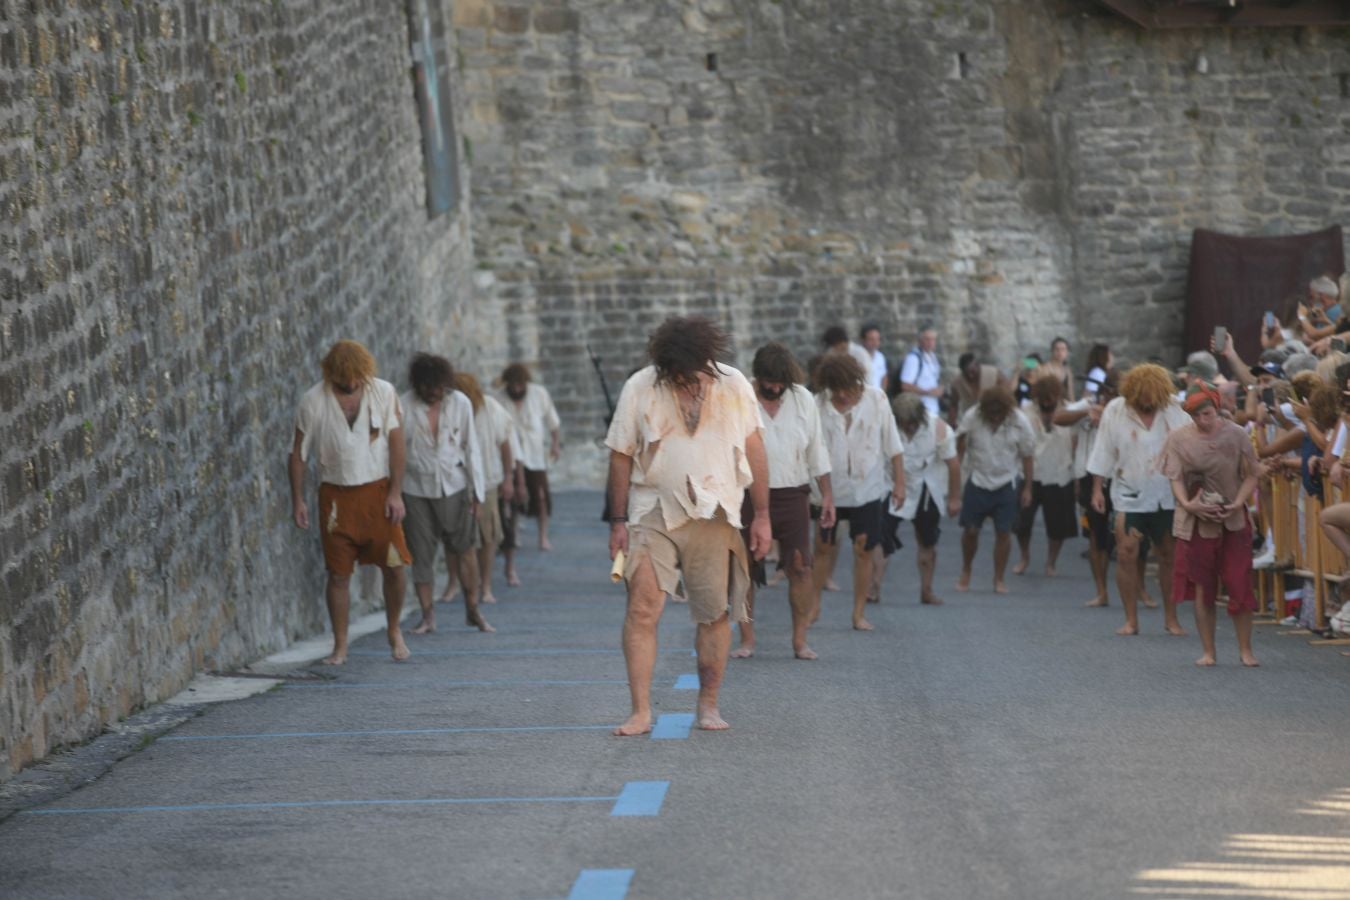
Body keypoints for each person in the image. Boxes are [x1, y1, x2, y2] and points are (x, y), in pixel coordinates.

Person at [606, 316, 771, 736]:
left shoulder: (734, 385)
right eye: (674, 374)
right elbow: (621, 455)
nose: (683, 381)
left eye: (690, 373)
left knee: (714, 613)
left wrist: (763, 516)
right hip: (651, 509)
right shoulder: (640, 387)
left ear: (707, 359)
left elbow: (754, 447)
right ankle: (640, 712)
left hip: (717, 510)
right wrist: (618, 521)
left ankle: (708, 704)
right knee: (643, 607)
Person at [288, 340, 412, 665]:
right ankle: (340, 644)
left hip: (378, 492)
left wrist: (396, 492)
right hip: (336, 499)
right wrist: (298, 499)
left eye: (358, 376)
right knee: (339, 574)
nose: (353, 383)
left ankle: (394, 628)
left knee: (396, 565)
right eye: (346, 377)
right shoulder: (314, 401)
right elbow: (298, 455)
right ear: (332, 374)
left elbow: (397, 445)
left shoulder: (383, 392)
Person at [732, 342, 836, 661]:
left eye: (781, 383)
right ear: (758, 376)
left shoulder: (802, 398)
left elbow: (816, 449)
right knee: (745, 569)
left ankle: (800, 640)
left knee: (800, 567)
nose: (775, 388)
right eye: (769, 382)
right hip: (748, 492)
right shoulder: (742, 398)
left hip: (793, 490)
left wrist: (827, 495)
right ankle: (747, 640)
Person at [1159, 384, 1261, 667]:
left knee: (1239, 581)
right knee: (1203, 586)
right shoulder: (1179, 439)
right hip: (1197, 521)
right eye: (1196, 416)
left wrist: (1239, 501)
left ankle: (1245, 649)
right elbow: (1175, 478)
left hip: (1233, 519)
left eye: (1207, 414)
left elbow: (1253, 473)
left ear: (1217, 409)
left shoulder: (1237, 434)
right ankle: (1209, 651)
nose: (1203, 421)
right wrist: (1188, 504)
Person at [1086, 363, 1191, 637]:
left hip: (1166, 494)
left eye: (1152, 396)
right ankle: (1131, 619)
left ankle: (1171, 618)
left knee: (1169, 555)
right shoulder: (1116, 410)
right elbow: (1103, 450)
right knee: (1125, 553)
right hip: (1127, 491)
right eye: (1142, 396)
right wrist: (1097, 489)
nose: (1147, 401)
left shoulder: (1175, 409)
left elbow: (1193, 443)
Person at [400, 354, 493, 635]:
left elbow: (471, 447)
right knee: (421, 554)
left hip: (454, 484)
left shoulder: (460, 404)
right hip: (415, 488)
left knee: (465, 549)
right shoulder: (404, 406)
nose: (434, 393)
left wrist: (477, 493)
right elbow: (395, 450)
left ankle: (473, 609)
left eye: (439, 387)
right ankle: (428, 616)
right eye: (428, 388)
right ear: (418, 386)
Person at [813, 354, 905, 631]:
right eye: (836, 388)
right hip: (828, 488)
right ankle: (813, 606)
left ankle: (858, 613)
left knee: (863, 547)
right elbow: (812, 449)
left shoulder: (876, 399)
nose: (842, 394)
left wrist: (899, 483)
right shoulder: (818, 404)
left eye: (847, 388)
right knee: (822, 547)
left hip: (867, 487)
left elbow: (893, 443)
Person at [955, 385, 1035, 594]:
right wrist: (956, 484)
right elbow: (960, 446)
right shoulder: (972, 416)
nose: (995, 418)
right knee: (970, 530)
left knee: (1004, 532)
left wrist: (1028, 488)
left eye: (1000, 414)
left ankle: (998, 578)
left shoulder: (1019, 421)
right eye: (991, 414)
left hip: (1006, 482)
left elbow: (1027, 455)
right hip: (978, 479)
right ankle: (966, 570)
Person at [449, 372, 515, 607]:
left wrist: (508, 479)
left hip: (487, 481)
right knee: (454, 537)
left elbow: (505, 445)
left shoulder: (490, 408)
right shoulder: (449, 409)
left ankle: (485, 586)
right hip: (455, 482)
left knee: (488, 537)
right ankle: (454, 583)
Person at [891, 393, 961, 605]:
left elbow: (953, 464)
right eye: (904, 424)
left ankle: (926, 590)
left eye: (912, 423)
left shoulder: (938, 428)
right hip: (893, 485)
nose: (909, 428)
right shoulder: (888, 425)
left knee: (927, 541)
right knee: (879, 538)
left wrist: (954, 498)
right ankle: (874, 587)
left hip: (927, 487)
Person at [1056, 368, 1117, 607]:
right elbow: (1059, 417)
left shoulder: (1125, 409)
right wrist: (1087, 411)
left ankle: (1139, 589)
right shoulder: (1089, 404)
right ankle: (1101, 590)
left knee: (1125, 538)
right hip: (1090, 476)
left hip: (1121, 477)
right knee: (1095, 536)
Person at [1013, 371, 1078, 577]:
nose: (1048, 402)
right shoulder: (1026, 412)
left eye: (1052, 398)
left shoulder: (1068, 411)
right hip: (1030, 473)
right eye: (1044, 399)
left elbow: (1075, 445)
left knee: (1058, 526)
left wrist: (1076, 477)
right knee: (1022, 522)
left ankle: (1051, 562)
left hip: (1059, 475)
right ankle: (1024, 556)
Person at [499, 363, 561, 551]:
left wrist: (555, 444)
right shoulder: (499, 399)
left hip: (534, 456)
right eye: (513, 386)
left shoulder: (539, 394)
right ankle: (514, 534)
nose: (517, 389)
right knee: (514, 497)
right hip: (511, 456)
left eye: (520, 385)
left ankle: (542, 536)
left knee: (541, 496)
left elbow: (553, 420)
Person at [898, 325, 943, 416]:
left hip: (933, 409)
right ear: (920, 341)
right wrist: (928, 392)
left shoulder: (933, 357)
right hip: (919, 411)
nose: (931, 342)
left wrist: (940, 390)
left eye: (933, 339)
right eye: (927, 339)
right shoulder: (913, 358)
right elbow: (905, 386)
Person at [949, 352, 1001, 425]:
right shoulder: (957, 383)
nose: (970, 376)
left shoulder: (993, 373)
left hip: (993, 420)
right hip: (971, 423)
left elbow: (1007, 393)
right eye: (966, 374)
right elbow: (953, 405)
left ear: (978, 366)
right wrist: (952, 423)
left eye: (972, 372)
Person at [1297, 275, 1343, 342]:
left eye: (1312, 297)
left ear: (1322, 296)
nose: (1310, 302)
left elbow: (1315, 335)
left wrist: (1302, 316)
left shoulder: (1333, 312)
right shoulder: (1329, 311)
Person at [860, 323, 889, 391]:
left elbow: (884, 377)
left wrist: (882, 392)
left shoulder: (880, 357)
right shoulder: (857, 357)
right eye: (871, 339)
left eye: (877, 339)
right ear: (863, 340)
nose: (875, 342)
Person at [1045, 337, 1076, 401]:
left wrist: (1074, 406)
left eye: (1063, 349)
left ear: (1067, 352)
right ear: (1052, 351)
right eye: (1057, 349)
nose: (1060, 352)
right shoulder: (1046, 368)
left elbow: (1070, 392)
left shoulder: (1067, 370)